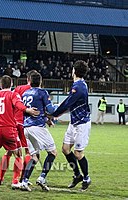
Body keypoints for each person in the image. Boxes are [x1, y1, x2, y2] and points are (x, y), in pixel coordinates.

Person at [51, 60, 91, 191]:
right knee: (65, 149)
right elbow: (70, 104)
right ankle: (77, 175)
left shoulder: (78, 86)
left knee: (78, 153)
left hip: (81, 124)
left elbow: (67, 104)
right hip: (74, 122)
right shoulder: (79, 85)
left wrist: (53, 114)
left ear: (74, 71)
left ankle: (86, 178)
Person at [0, 70, 34, 186]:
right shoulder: (35, 90)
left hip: (12, 122)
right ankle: (20, 179)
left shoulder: (18, 89)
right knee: (26, 152)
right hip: (24, 124)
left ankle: (1, 178)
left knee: (9, 152)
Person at [20, 71, 58, 192]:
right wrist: (60, 107)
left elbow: (29, 111)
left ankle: (24, 181)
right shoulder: (42, 92)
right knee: (53, 152)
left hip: (27, 128)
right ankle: (42, 178)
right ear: (41, 81)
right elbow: (50, 109)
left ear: (29, 81)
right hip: (37, 127)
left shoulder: (25, 93)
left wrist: (46, 119)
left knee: (34, 157)